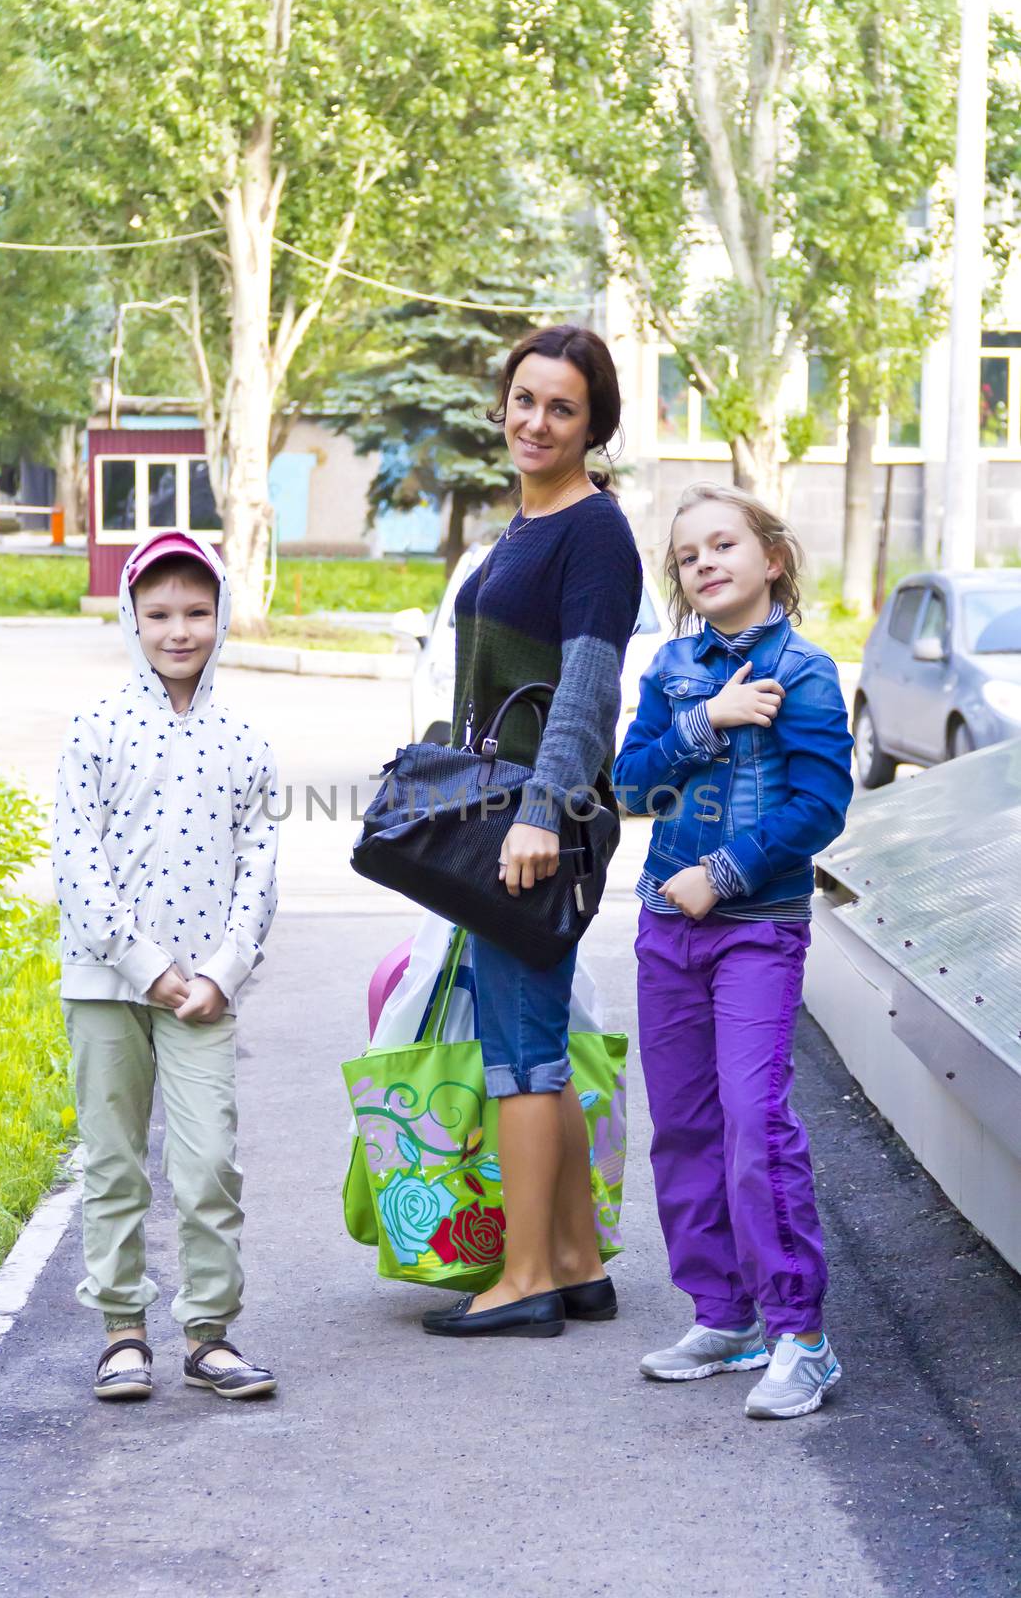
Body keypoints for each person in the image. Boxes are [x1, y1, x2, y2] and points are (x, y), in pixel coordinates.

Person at [421, 324, 642, 1339]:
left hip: (540, 822)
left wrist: (540, 811)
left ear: (593, 424)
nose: (534, 421)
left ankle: (519, 1281)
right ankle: (573, 1262)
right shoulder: (520, 527)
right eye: (522, 399)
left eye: (560, 407)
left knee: (517, 1051)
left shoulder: (593, 531)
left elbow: (589, 686)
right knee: (533, 1042)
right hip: (504, 813)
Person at [613, 482, 853, 1418]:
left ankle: (801, 1334)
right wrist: (703, 719)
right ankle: (724, 1315)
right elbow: (631, 784)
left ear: (771, 560)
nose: (705, 563)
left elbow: (819, 806)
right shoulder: (673, 668)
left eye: (723, 545)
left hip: (755, 929)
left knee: (755, 1124)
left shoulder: (806, 671)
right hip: (664, 930)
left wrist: (724, 871)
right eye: (686, 555)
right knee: (682, 1125)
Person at [53, 529, 279, 1400]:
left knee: (208, 1163)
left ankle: (209, 1333)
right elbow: (77, 863)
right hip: (109, 984)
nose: (178, 630)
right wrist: (145, 964)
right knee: (112, 1162)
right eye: (158, 613)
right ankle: (120, 1331)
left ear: (220, 618)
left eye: (195, 611)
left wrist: (223, 970)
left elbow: (259, 865)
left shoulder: (244, 740)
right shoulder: (96, 728)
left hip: (203, 995)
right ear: (130, 617)